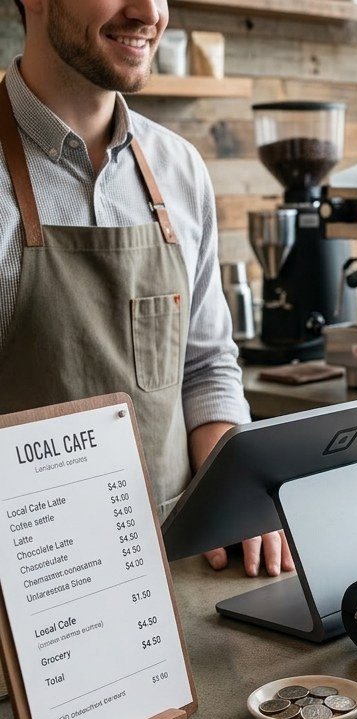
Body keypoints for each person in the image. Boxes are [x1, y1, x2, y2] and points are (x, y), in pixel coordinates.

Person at [0, 0, 290, 577]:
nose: (149, 12)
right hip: (32, 592)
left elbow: (205, 368)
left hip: (179, 565)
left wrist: (240, 493)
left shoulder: (179, 168)